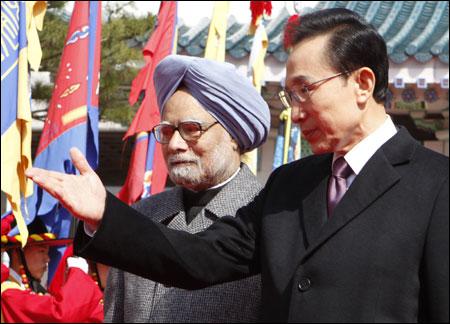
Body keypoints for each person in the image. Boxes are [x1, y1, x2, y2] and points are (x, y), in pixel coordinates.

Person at [25, 8, 449, 323]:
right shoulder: (289, 185)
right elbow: (197, 257)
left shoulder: (435, 187)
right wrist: (105, 215)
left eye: (306, 91)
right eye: (290, 96)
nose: (295, 112)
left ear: (362, 83)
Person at [103, 55, 269, 322]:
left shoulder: (269, 220)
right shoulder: (143, 215)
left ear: (235, 137)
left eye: (191, 129)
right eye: (167, 131)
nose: (175, 144)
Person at [1, 214, 104, 323]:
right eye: (41, 251)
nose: (47, 259)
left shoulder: (23, 291)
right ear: (17, 252)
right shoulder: (8, 294)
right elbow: (60, 315)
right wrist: (78, 275)